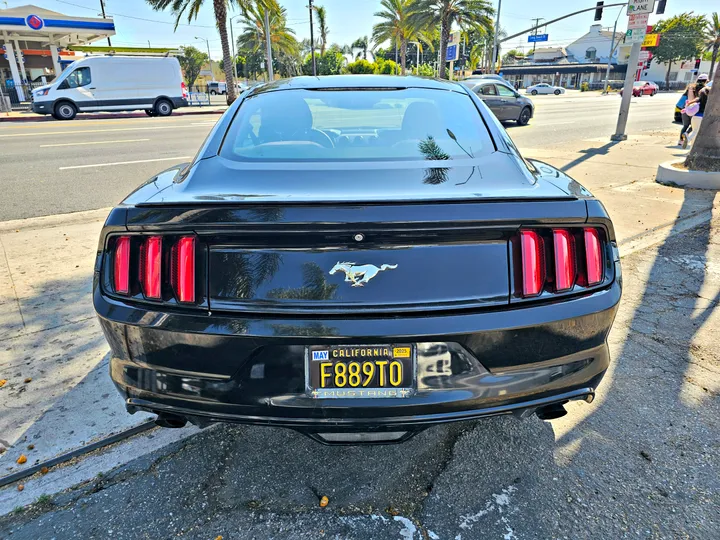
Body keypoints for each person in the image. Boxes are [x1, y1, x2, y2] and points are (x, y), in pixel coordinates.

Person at [681, 74, 709, 149]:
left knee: (693, 130)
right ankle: (688, 137)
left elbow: (689, 103)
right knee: (695, 132)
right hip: (701, 118)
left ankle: (690, 147)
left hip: (694, 117)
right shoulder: (707, 102)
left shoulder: (697, 101)